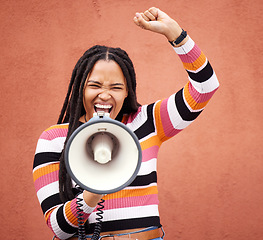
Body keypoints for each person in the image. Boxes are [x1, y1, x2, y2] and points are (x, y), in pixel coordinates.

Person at [33, 7, 219, 240]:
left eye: (116, 88)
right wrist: (95, 189)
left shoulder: (148, 122)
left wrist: (176, 35)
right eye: (95, 85)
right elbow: (58, 227)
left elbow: (205, 87)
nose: (104, 95)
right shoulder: (53, 140)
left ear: (127, 92)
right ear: (80, 87)